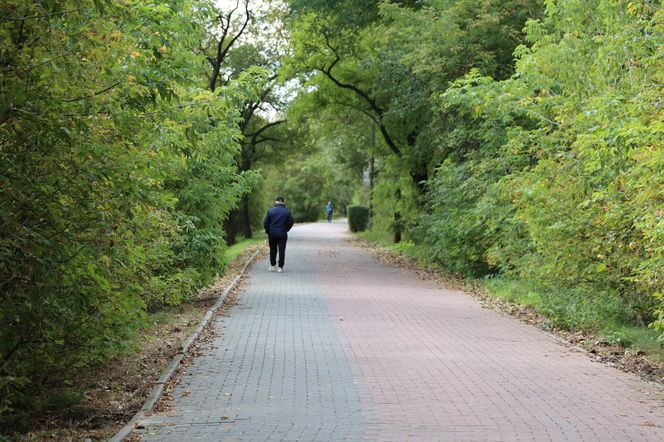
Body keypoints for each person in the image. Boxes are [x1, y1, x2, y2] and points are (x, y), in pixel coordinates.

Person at [263, 196, 294, 273]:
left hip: (272, 234)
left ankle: (273, 266)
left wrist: (268, 231)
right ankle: (280, 267)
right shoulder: (287, 211)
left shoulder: (270, 211)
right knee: (282, 250)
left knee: (273, 250)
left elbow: (265, 222)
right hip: (282, 233)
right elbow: (291, 222)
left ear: (275, 202)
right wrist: (286, 229)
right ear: (283, 202)